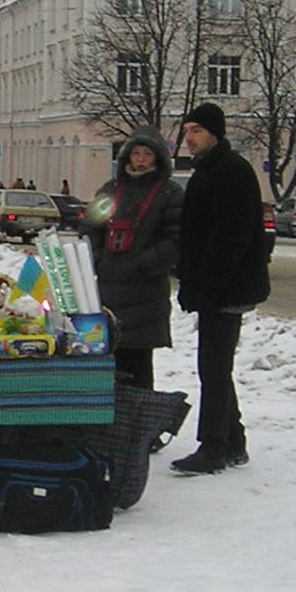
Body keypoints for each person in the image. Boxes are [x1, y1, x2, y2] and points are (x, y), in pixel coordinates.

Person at [171, 103, 270, 475]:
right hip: (213, 286)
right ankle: (234, 442)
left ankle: (213, 447)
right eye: (187, 130)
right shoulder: (208, 170)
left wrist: (208, 286)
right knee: (214, 367)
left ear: (215, 133)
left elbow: (230, 237)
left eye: (196, 130)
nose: (189, 138)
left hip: (228, 288)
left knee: (212, 368)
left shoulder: (232, 171)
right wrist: (190, 280)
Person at [80, 125, 183, 392]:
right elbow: (91, 227)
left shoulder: (169, 193)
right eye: (135, 153)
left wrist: (144, 264)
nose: (140, 160)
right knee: (107, 365)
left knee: (139, 367)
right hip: (108, 292)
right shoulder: (111, 190)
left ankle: (140, 416)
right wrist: (98, 258)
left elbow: (177, 239)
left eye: (147, 154)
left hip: (145, 294)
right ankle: (112, 416)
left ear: (158, 158)